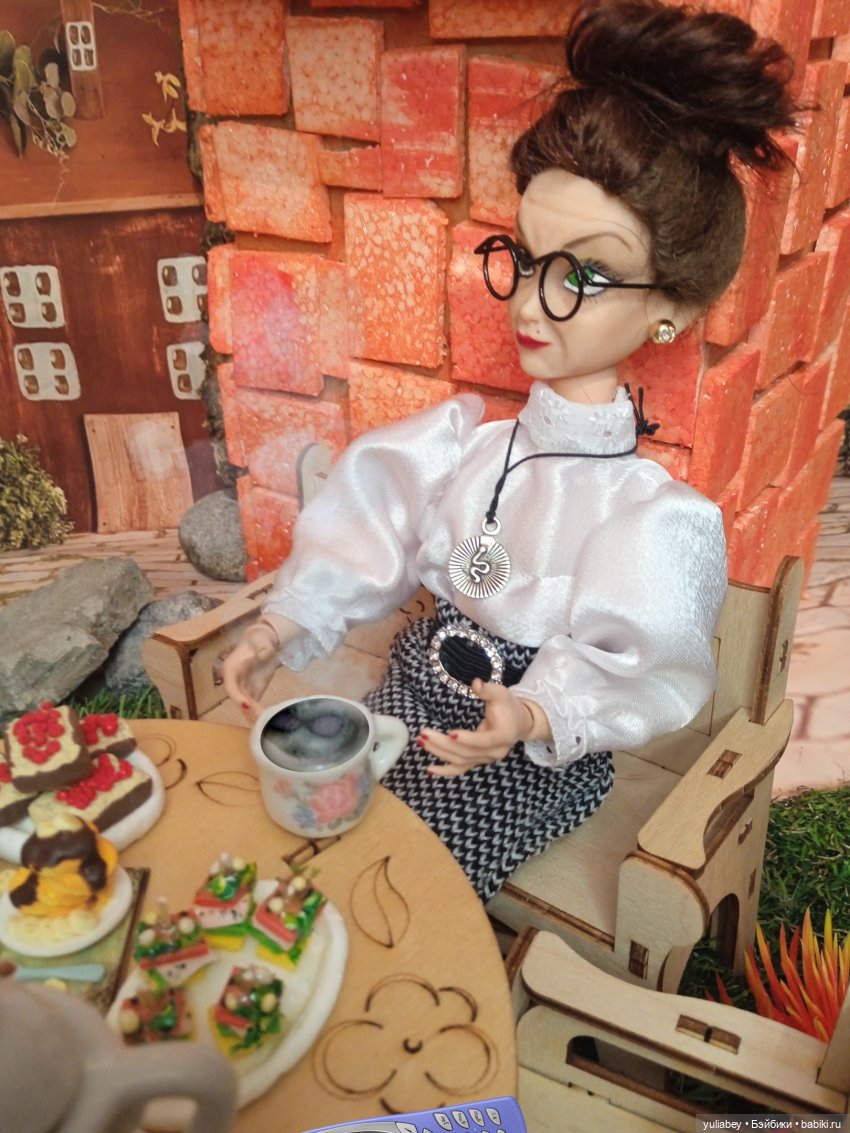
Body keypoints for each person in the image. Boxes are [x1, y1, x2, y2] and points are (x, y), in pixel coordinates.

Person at [224, 0, 796, 901]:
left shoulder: (648, 518)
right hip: (417, 696)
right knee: (323, 809)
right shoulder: (466, 446)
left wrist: (531, 711)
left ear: (673, 309)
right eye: (526, 258)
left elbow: (640, 665)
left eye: (584, 275)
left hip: (530, 754)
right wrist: (279, 624)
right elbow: (373, 528)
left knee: (405, 875)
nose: (531, 302)